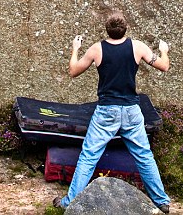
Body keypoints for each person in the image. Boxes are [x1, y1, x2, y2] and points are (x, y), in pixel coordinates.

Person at [53, 11, 171, 212]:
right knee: (144, 155)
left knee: (89, 156)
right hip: (132, 111)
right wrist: (164, 50)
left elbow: (73, 71)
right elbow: (164, 66)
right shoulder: (138, 47)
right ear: (125, 29)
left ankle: (69, 202)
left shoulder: (97, 49)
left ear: (107, 30)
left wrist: (75, 49)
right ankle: (161, 201)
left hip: (106, 111)